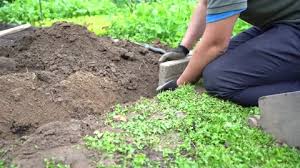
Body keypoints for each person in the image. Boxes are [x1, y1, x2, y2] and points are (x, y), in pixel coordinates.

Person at [156, 0, 300, 106]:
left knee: (221, 81)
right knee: (211, 63)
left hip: (294, 27)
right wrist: (183, 48)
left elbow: (215, 45)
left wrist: (181, 83)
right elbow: (205, 4)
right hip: (282, 23)